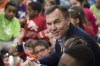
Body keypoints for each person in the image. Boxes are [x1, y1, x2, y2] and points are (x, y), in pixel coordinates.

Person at [21, 5, 100, 66]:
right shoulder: (64, 32)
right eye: (49, 24)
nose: (53, 28)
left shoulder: (77, 41)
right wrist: (36, 62)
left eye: (57, 22)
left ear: (68, 20)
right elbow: (57, 54)